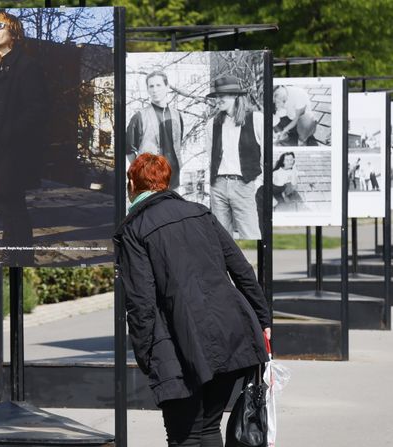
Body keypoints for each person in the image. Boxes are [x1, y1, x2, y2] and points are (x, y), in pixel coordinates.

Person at [114, 153, 271, 447]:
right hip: (228, 333)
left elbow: (141, 301)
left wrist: (146, 353)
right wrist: (263, 320)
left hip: (175, 343)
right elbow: (241, 269)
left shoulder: (134, 229)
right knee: (209, 426)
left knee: (183, 435)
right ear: (165, 182)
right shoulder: (200, 213)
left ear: (132, 185)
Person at [0, 11, 47, 266]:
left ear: (14, 34)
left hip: (13, 151)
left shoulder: (26, 65)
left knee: (13, 206)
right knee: (6, 205)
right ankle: (12, 256)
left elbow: (37, 110)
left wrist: (6, 135)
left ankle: (21, 259)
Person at [205, 76, 263, 240]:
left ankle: (255, 265)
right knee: (221, 238)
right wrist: (214, 184)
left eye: (222, 95)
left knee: (250, 235)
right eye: (217, 96)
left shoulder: (256, 119)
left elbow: (267, 156)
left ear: (235, 96)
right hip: (219, 186)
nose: (218, 100)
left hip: (244, 184)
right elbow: (211, 158)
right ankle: (225, 267)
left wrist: (257, 183)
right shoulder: (212, 124)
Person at [126, 71, 184, 190]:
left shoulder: (177, 115)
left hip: (173, 181)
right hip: (150, 181)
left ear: (167, 87)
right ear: (147, 89)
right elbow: (129, 150)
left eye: (158, 85)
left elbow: (178, 144)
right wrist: (142, 172)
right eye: (151, 86)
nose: (155, 90)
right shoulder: (139, 117)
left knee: (172, 208)